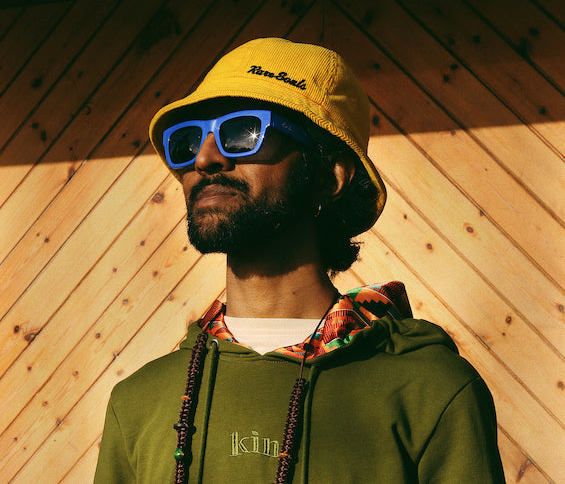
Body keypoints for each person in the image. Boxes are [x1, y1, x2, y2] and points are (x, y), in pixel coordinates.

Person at [94, 38, 505, 483]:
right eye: (187, 140)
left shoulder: (432, 392)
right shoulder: (136, 403)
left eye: (242, 131)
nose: (205, 158)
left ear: (329, 177)